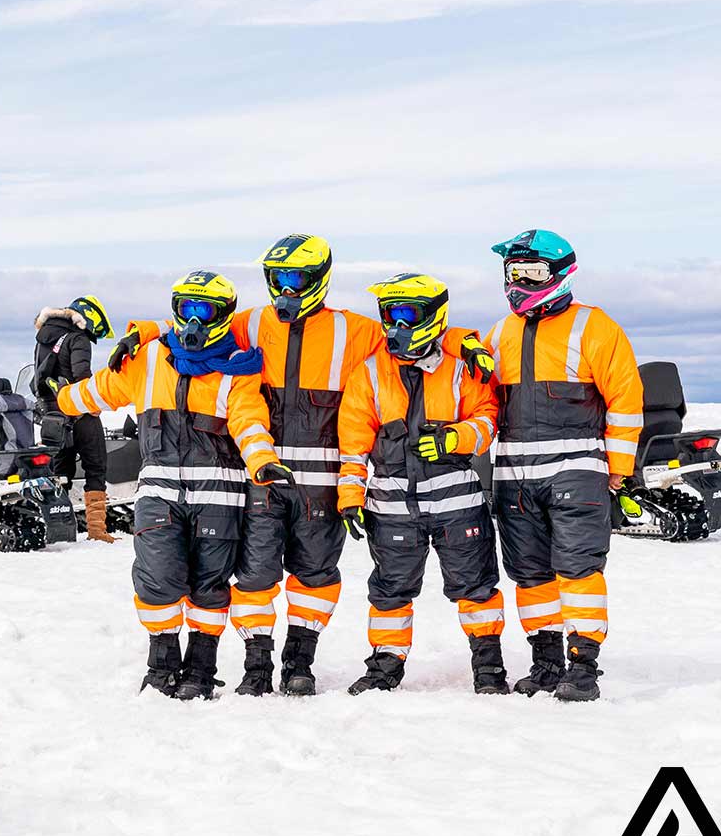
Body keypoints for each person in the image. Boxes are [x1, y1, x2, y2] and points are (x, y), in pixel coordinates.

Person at [112, 236, 494, 696]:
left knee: (314, 575)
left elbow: (413, 335)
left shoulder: (354, 331)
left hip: (322, 487)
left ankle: (300, 661)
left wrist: (465, 340)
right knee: (253, 576)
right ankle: (256, 665)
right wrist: (143, 331)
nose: (285, 289)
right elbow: (193, 326)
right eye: (277, 278)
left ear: (318, 279)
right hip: (262, 481)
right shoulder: (250, 324)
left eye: (294, 279)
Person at [54, 271, 292, 699]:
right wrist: (57, 399)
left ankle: (201, 669)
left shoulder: (238, 370)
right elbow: (98, 391)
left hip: (219, 496)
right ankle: (161, 665)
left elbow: (249, 421)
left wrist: (262, 460)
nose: (195, 321)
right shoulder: (146, 359)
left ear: (225, 315)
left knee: (209, 585)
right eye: (187, 309)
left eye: (206, 310)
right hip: (159, 494)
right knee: (157, 577)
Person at [481, 230, 643, 701]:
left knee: (577, 567)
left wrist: (619, 464)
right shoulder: (499, 332)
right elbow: (482, 398)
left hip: (575, 469)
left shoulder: (595, 326)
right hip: (513, 474)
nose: (520, 282)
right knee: (529, 573)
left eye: (532, 272)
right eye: (514, 273)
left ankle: (585, 667)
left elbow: (625, 399)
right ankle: (546, 661)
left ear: (561, 274)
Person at [337, 274, 508, 694]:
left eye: (407, 314)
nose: (397, 324)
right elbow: (353, 442)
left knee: (477, 587)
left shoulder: (462, 366)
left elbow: (489, 419)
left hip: (457, 504)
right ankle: (384, 668)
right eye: (390, 314)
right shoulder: (370, 372)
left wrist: (457, 437)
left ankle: (488, 667)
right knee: (390, 592)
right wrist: (349, 495)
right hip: (391, 505)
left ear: (433, 316)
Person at [34, 296, 117, 542]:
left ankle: (60, 528)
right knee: (95, 465)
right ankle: (97, 531)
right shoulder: (78, 338)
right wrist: (94, 406)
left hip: (51, 415)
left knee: (61, 470)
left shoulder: (44, 337)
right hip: (78, 412)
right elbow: (82, 377)